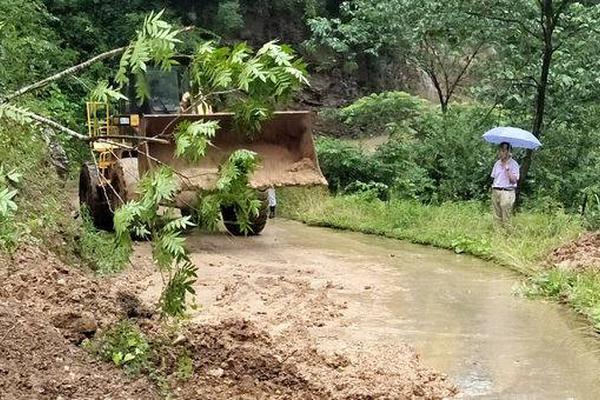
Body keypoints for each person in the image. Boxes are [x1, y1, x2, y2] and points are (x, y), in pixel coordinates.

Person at [490, 142, 520, 225]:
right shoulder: (497, 163)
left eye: (503, 150)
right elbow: (494, 177)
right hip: (496, 190)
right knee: (496, 216)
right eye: (500, 150)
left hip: (507, 192)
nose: (500, 153)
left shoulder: (514, 164)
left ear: (508, 152)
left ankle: (507, 235)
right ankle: (498, 235)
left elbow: (514, 180)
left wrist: (507, 168)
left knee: (506, 216)